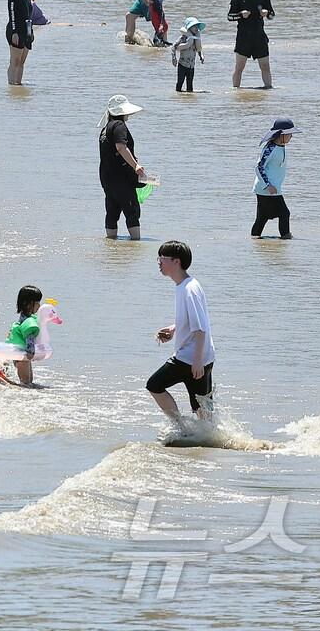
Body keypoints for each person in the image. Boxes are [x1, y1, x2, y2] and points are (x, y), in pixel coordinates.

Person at [149, 241, 216, 424]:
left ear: (176, 261)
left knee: (154, 385)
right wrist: (174, 329)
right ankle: (212, 439)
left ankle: (180, 426)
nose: (159, 263)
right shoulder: (185, 285)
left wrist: (197, 361)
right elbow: (192, 319)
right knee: (202, 410)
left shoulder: (189, 289)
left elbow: (200, 329)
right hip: (200, 357)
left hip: (191, 358)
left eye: (162, 258)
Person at [97, 95, 146, 240]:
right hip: (121, 179)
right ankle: (136, 243)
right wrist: (136, 165)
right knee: (132, 212)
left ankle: (111, 246)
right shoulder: (119, 126)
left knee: (112, 212)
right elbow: (121, 147)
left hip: (107, 178)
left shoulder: (105, 129)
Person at [252, 118, 300, 239]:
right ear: (281, 135)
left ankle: (254, 240)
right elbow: (259, 167)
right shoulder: (270, 149)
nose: (291, 137)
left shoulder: (281, 146)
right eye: (289, 134)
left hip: (271, 189)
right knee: (284, 213)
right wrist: (268, 185)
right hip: (268, 189)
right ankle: (286, 238)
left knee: (262, 218)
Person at [228, 0, 275, 88]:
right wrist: (240, 14)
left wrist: (267, 13)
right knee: (239, 67)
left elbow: (272, 15)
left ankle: (268, 89)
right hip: (243, 38)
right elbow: (229, 17)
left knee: (265, 66)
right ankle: (236, 90)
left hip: (259, 37)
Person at [6, 285, 45, 386]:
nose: (39, 305)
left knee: (29, 381)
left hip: (20, 354)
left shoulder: (25, 318)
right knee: (26, 383)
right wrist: (31, 352)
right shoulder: (29, 321)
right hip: (23, 355)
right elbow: (29, 337)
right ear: (26, 303)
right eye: (36, 302)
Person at [6, 0, 34, 85]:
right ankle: (12, 84)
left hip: (26, 30)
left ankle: (18, 84)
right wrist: (14, 32)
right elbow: (11, 13)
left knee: (22, 62)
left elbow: (29, 13)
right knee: (15, 61)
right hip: (15, 30)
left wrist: (31, 32)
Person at [171, 17, 205, 92]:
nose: (196, 28)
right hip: (182, 65)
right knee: (180, 82)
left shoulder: (196, 39)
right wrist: (174, 58)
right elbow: (173, 47)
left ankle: (189, 100)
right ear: (189, 28)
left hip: (191, 66)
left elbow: (199, 49)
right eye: (194, 26)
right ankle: (178, 95)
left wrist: (201, 56)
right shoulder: (184, 38)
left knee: (190, 86)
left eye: (197, 26)